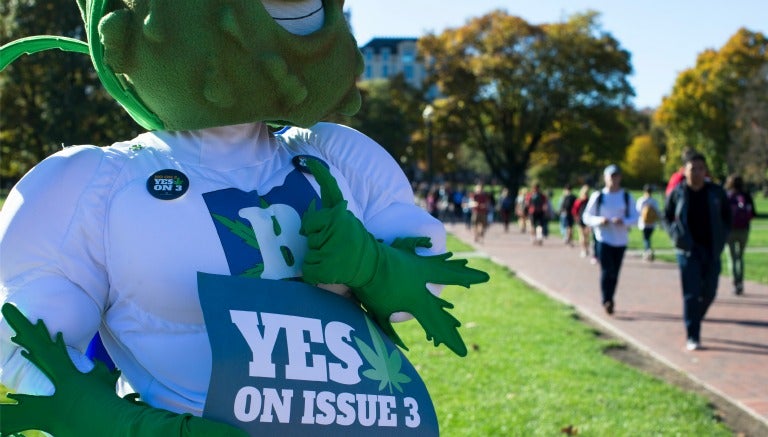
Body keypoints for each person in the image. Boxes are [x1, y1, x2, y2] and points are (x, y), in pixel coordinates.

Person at [0, 2, 489, 435]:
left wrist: (373, 265)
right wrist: (129, 427)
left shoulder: (338, 155)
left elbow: (424, 288)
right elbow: (23, 342)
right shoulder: (89, 186)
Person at [664, 152, 731, 351]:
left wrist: (723, 237)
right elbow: (666, 217)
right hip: (688, 251)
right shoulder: (678, 192)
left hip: (711, 250)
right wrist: (676, 235)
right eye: (693, 169)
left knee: (710, 292)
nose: (697, 173)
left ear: (706, 171)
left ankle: (695, 316)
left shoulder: (716, 192)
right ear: (684, 171)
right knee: (691, 294)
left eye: (701, 168)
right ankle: (693, 335)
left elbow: (727, 216)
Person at [582, 165, 638, 315]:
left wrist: (623, 221)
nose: (614, 179)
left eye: (616, 176)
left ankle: (610, 296)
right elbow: (586, 216)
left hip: (620, 240)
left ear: (620, 177)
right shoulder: (598, 196)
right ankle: (607, 299)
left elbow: (635, 217)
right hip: (603, 238)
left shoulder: (626, 197)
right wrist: (600, 220)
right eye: (611, 176)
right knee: (607, 270)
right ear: (605, 178)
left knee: (615, 272)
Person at [724, 174, 757, 295]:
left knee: (731, 258)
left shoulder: (727, 195)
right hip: (744, 230)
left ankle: (735, 282)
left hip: (730, 230)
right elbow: (753, 214)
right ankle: (740, 282)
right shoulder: (746, 195)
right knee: (740, 257)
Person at [635, 184, 662, 261]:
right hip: (652, 223)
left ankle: (648, 250)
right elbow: (657, 212)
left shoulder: (641, 200)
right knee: (648, 237)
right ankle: (647, 250)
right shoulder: (654, 201)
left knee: (646, 238)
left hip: (643, 223)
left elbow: (638, 211)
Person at [571, 185, 592, 258]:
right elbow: (574, 211)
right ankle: (585, 249)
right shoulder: (584, 201)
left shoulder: (584, 201)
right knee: (584, 236)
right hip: (583, 220)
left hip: (584, 220)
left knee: (584, 236)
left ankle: (585, 249)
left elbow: (574, 211)